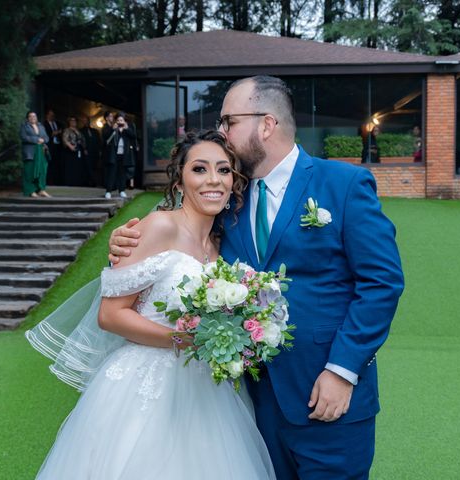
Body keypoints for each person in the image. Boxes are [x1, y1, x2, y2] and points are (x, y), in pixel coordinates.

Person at [109, 75, 404, 479]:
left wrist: (342, 370)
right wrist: (125, 242)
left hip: (328, 399)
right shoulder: (229, 200)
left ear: (266, 124)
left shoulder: (343, 184)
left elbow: (382, 283)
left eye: (229, 122)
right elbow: (181, 244)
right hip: (251, 407)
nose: (223, 134)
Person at [25, 130, 275, 480]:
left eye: (223, 170)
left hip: (205, 389)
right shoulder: (157, 227)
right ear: (180, 180)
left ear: (234, 181)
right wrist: (183, 339)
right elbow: (110, 315)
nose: (213, 180)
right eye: (200, 169)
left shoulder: (221, 246)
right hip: (145, 383)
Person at [104, 111, 136, 199]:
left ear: (124, 121)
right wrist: (112, 129)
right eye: (118, 120)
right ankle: (108, 191)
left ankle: (122, 190)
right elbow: (105, 137)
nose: (120, 122)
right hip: (114, 155)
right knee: (112, 173)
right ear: (116, 121)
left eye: (121, 120)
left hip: (124, 155)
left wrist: (127, 129)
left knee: (122, 174)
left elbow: (133, 136)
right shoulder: (113, 128)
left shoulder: (127, 129)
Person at [19, 111, 50, 198]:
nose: (33, 118)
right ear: (27, 118)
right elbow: (23, 137)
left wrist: (43, 140)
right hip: (30, 152)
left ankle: (41, 190)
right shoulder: (24, 126)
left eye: (34, 116)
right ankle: (31, 191)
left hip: (41, 152)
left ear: (36, 117)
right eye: (30, 116)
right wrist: (36, 140)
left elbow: (46, 137)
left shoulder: (41, 126)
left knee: (41, 171)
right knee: (29, 172)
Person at [62, 116, 86, 186]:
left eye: (75, 121)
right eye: (71, 121)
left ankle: (77, 182)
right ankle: (70, 182)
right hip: (70, 151)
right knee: (70, 167)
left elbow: (83, 140)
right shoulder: (67, 130)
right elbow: (65, 139)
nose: (73, 122)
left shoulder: (78, 131)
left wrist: (84, 148)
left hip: (78, 150)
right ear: (69, 122)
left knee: (77, 167)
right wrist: (70, 146)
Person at [80, 115, 101, 186]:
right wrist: (84, 149)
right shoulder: (81, 131)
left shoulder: (95, 131)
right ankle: (91, 182)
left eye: (87, 120)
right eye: (84, 121)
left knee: (95, 166)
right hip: (87, 152)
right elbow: (81, 141)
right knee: (88, 167)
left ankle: (95, 181)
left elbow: (99, 141)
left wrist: (99, 150)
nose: (86, 122)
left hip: (95, 152)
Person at [44, 109, 63, 185]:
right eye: (50, 115)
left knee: (57, 164)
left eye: (53, 115)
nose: (52, 116)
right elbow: (48, 134)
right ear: (47, 115)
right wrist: (56, 132)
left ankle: (57, 181)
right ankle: (49, 181)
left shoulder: (57, 123)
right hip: (50, 146)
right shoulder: (45, 124)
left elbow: (61, 131)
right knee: (50, 163)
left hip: (58, 146)